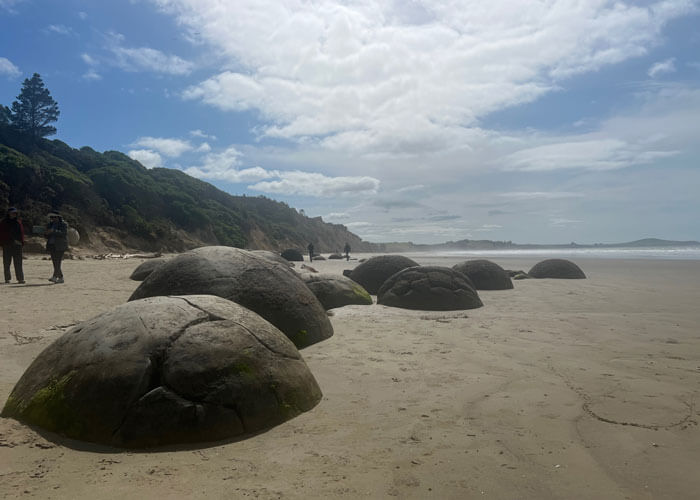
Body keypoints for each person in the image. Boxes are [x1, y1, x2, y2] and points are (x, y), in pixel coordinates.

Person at [0, 207, 25, 284]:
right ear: (8, 213)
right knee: (7, 263)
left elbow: (21, 233)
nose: (14, 214)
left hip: (17, 245)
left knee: (18, 263)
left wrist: (21, 242)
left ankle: (20, 279)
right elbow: (1, 234)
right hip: (7, 244)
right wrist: (2, 243)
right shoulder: (3, 222)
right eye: (12, 213)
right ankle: (7, 278)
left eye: (15, 213)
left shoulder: (18, 222)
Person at [45, 212, 68, 284]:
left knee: (57, 262)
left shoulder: (63, 224)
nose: (53, 219)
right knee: (55, 262)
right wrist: (46, 233)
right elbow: (46, 236)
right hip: (52, 245)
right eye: (52, 217)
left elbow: (63, 233)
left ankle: (57, 277)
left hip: (60, 245)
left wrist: (54, 231)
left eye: (55, 217)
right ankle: (58, 277)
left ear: (59, 217)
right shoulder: (50, 224)